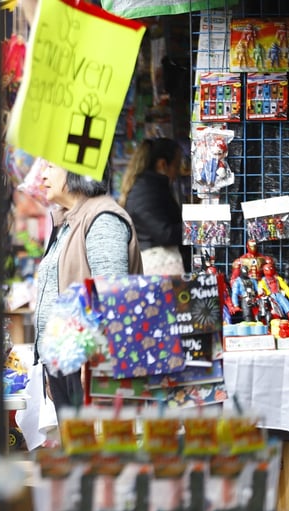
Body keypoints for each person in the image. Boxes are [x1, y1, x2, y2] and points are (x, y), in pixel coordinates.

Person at [35, 163, 143, 412]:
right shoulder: (66, 219)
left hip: (88, 363)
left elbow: (112, 295)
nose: (43, 175)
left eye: (51, 166)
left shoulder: (102, 219)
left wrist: (98, 363)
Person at [119, 138, 186, 274]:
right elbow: (165, 233)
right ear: (162, 164)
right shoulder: (147, 191)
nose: (178, 172)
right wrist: (196, 227)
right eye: (176, 165)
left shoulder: (151, 187)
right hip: (159, 265)